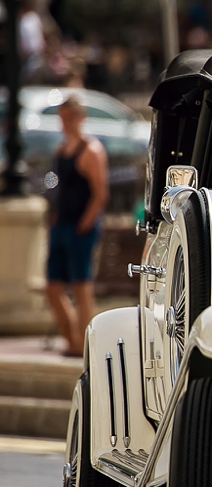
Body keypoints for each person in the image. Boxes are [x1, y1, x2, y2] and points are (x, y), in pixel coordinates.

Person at [45, 95, 108, 358]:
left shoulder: (91, 150)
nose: (65, 122)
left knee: (81, 287)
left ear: (80, 118)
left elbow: (100, 193)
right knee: (53, 287)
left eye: (70, 117)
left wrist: (85, 223)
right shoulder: (61, 150)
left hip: (80, 228)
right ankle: (71, 339)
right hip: (61, 225)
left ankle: (83, 345)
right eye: (62, 116)